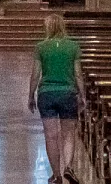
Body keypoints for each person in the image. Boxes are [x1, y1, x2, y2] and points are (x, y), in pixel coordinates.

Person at [29, 12, 83, 184]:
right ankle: (68, 167)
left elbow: (35, 74)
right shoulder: (73, 46)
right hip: (67, 93)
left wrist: (30, 95)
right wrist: (82, 95)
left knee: (51, 136)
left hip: (47, 94)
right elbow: (78, 74)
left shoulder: (41, 47)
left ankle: (56, 175)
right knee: (68, 134)